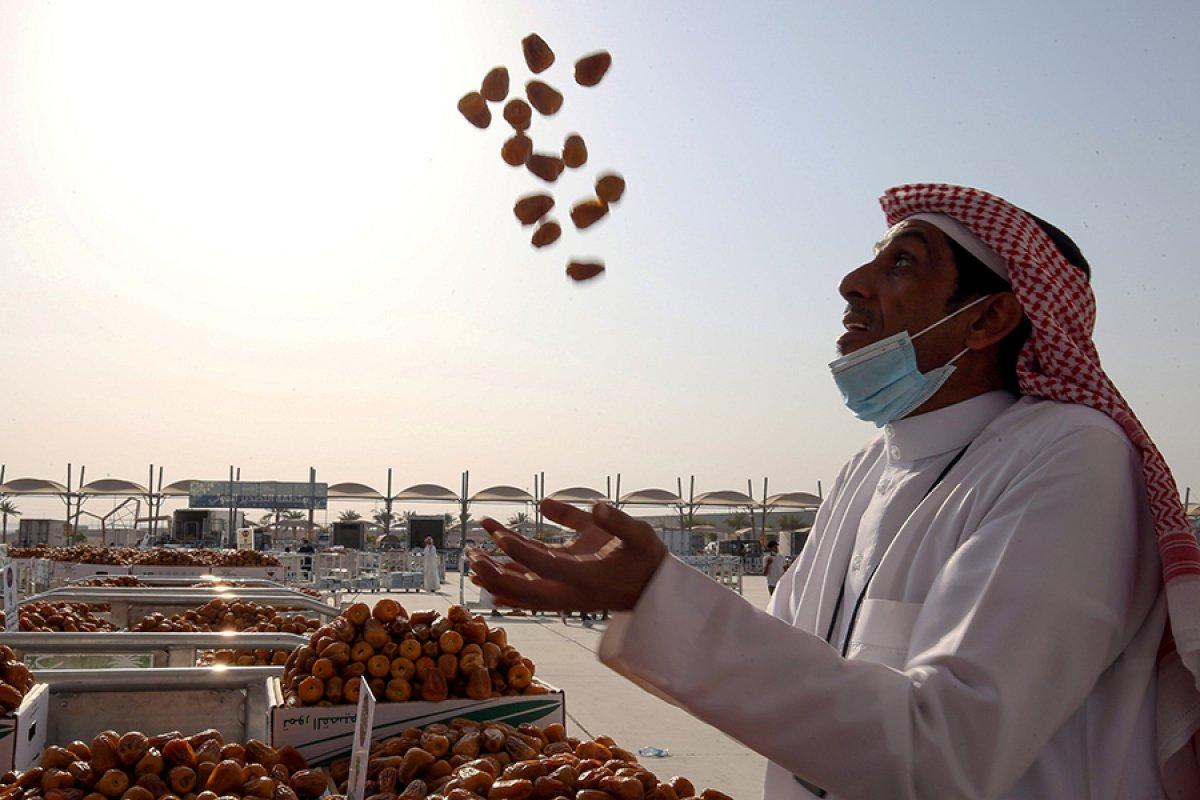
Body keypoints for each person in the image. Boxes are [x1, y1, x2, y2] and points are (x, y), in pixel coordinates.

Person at [468, 184, 1200, 800]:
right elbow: (792, 664)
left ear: (989, 318)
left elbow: (948, 753)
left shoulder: (1072, 457)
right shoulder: (866, 470)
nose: (853, 281)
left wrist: (657, 595)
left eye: (902, 263)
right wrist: (651, 585)